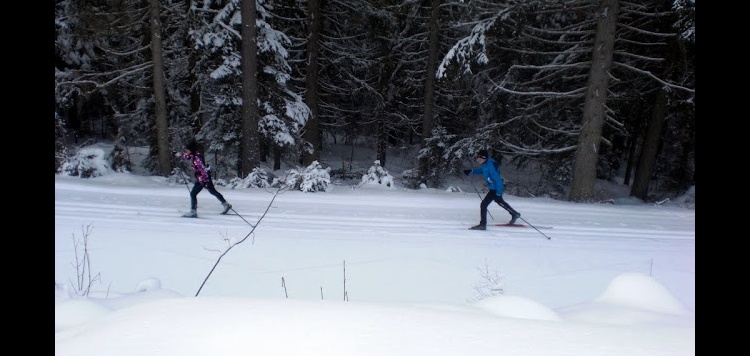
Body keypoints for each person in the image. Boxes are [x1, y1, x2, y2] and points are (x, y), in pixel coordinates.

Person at [463, 149, 520, 230]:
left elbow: (498, 180)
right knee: (499, 202)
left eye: (479, 158)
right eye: (478, 158)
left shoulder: (490, 166)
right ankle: (515, 214)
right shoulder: (485, 164)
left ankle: (482, 225)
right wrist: (471, 171)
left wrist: (498, 193)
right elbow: (482, 171)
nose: (478, 160)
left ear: (484, 158)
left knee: (484, 204)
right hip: (493, 188)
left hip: (495, 189)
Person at [176, 140, 232, 218]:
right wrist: (180, 155)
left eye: (187, 150)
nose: (186, 151)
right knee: (212, 191)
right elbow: (187, 156)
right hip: (205, 178)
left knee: (193, 193)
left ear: (191, 150)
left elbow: (203, 169)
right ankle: (225, 204)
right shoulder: (194, 155)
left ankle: (193, 211)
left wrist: (204, 180)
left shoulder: (197, 159)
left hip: (202, 178)